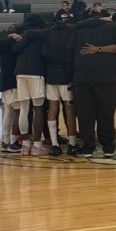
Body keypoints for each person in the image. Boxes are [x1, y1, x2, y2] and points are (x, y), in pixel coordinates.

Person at [66, 15, 116, 157]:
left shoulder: (78, 30)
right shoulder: (111, 27)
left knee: (85, 115)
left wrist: (71, 78)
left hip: (81, 78)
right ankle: (108, 147)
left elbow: (69, 54)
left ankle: (88, 147)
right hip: (105, 77)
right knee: (106, 114)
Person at [12, 15, 50, 156]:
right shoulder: (42, 36)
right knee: (38, 109)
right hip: (36, 72)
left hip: (20, 73)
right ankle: (37, 146)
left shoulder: (22, 36)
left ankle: (25, 145)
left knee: (23, 109)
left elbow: (14, 50)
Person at [45, 13, 78, 156]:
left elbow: (44, 53)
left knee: (52, 109)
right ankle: (72, 144)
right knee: (69, 109)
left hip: (51, 77)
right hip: (66, 77)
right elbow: (72, 54)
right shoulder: (70, 32)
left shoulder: (48, 33)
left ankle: (54, 144)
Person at [0, 24, 22, 153]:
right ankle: (14, 142)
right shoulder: (13, 46)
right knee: (18, 111)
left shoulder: (2, 44)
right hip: (12, 82)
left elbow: (0, 38)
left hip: (3, 81)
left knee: (8, 113)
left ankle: (5, 141)